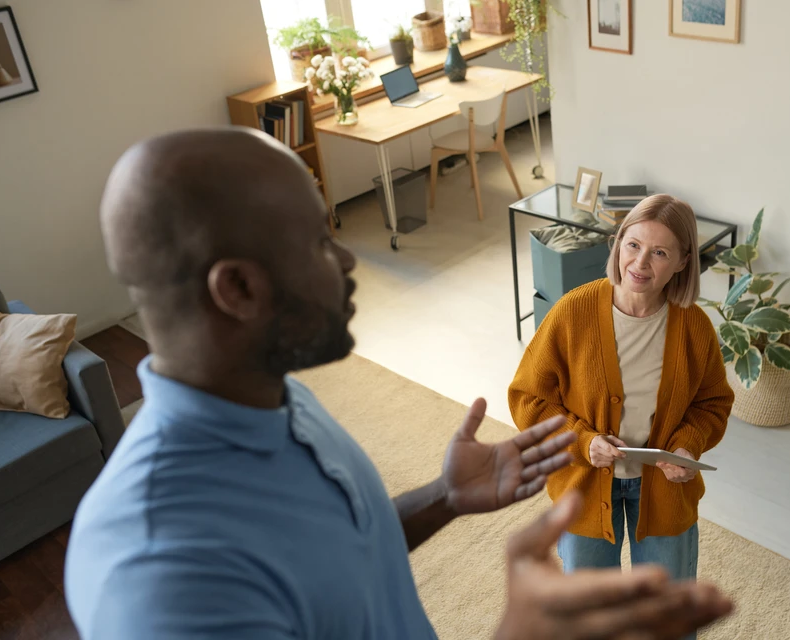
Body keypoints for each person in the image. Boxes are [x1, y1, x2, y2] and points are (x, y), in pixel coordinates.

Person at [64, 129, 733, 639]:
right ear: (238, 287)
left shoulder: (278, 399)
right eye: (317, 238)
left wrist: (441, 497)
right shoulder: (156, 577)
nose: (349, 256)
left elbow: (336, 550)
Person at [508, 196, 734, 596]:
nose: (640, 263)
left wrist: (686, 446)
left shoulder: (694, 327)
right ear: (618, 244)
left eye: (660, 252)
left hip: (664, 487)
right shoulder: (572, 312)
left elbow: (711, 403)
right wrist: (583, 442)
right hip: (584, 482)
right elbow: (529, 397)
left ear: (683, 262)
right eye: (633, 245)